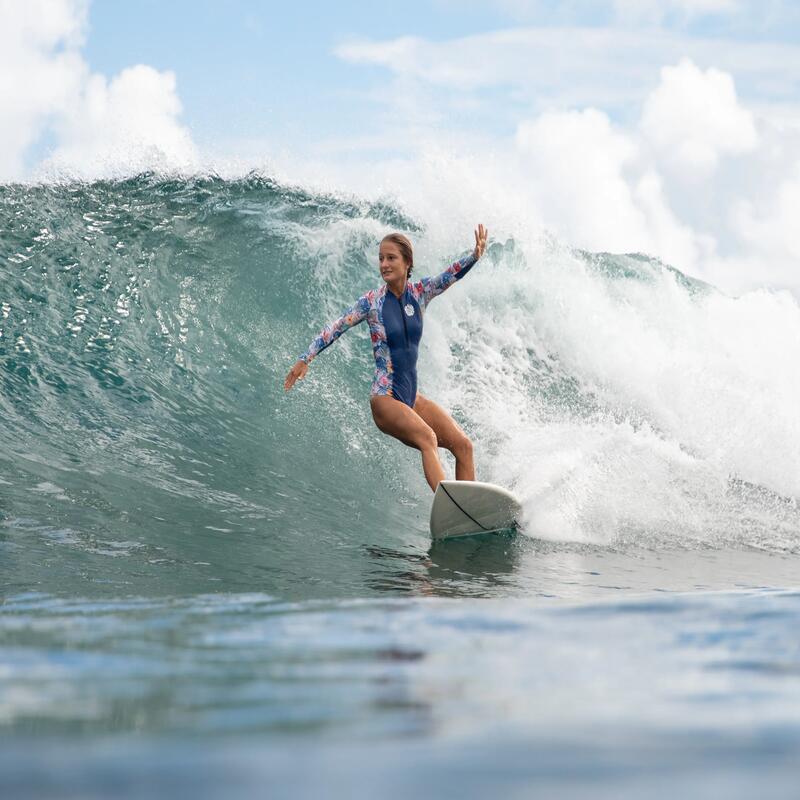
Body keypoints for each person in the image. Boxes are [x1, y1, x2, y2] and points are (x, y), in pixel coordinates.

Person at [284, 225, 488, 491]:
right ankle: (450, 506)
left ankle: (469, 510)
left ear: (407, 262)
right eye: (381, 258)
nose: (384, 264)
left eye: (391, 258)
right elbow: (335, 328)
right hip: (385, 398)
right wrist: (305, 358)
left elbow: (449, 276)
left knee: (463, 445)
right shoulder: (371, 302)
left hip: (411, 398)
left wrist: (474, 256)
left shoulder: (420, 293)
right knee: (428, 437)